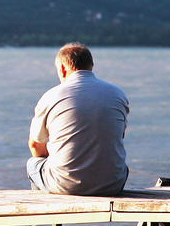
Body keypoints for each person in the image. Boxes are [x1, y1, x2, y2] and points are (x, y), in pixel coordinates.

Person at [26, 43, 130, 196]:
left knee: (33, 164)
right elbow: (117, 136)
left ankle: (43, 212)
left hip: (66, 185)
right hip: (113, 183)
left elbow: (35, 146)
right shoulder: (117, 94)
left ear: (62, 69)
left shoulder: (51, 96)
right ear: (90, 66)